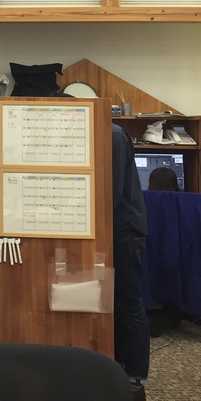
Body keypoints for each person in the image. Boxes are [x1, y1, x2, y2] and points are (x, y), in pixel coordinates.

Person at [111, 123, 150, 401]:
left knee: (128, 302)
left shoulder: (111, 134)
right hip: (113, 228)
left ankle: (135, 378)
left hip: (124, 231)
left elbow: (110, 193)